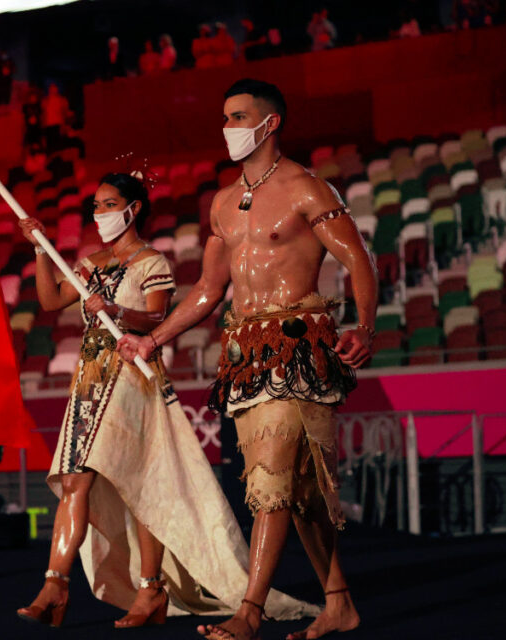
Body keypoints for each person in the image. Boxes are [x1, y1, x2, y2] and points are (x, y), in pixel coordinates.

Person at [118, 78, 375, 640]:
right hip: (246, 357)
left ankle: (249, 612)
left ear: (270, 122)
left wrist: (366, 326)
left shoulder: (309, 190)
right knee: (299, 491)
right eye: (225, 118)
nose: (228, 128)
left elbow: (358, 260)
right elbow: (209, 293)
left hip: (299, 348)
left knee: (272, 480)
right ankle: (339, 604)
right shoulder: (221, 204)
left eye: (238, 117)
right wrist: (153, 339)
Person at [16, 171, 319, 630]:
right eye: (95, 206)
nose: (100, 214)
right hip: (89, 381)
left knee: (137, 483)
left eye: (108, 204)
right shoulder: (89, 262)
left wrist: (116, 310)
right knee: (75, 478)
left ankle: (150, 589)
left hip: (132, 377)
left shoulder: (152, 261)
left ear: (133, 209)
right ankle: (55, 584)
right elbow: (50, 300)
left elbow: (156, 314)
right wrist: (40, 249)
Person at [40, 83, 70, 152]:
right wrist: (43, 125)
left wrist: (64, 125)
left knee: (58, 145)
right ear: (49, 90)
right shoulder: (45, 101)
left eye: (54, 89)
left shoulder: (61, 100)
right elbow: (43, 113)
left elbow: (65, 113)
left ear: (57, 90)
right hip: (48, 125)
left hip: (58, 124)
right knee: (49, 144)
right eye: (51, 89)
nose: (53, 91)